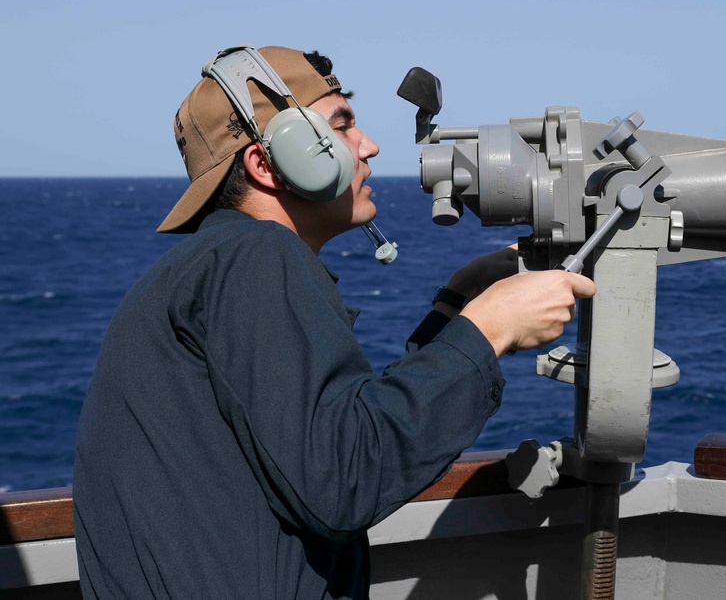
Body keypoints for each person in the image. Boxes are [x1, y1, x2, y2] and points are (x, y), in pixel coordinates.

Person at [72, 46, 595, 599]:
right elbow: (343, 480)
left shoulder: (216, 262)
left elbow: (327, 432)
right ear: (267, 163)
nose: (368, 146)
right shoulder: (256, 258)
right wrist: (490, 328)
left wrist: (455, 306)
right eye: (341, 126)